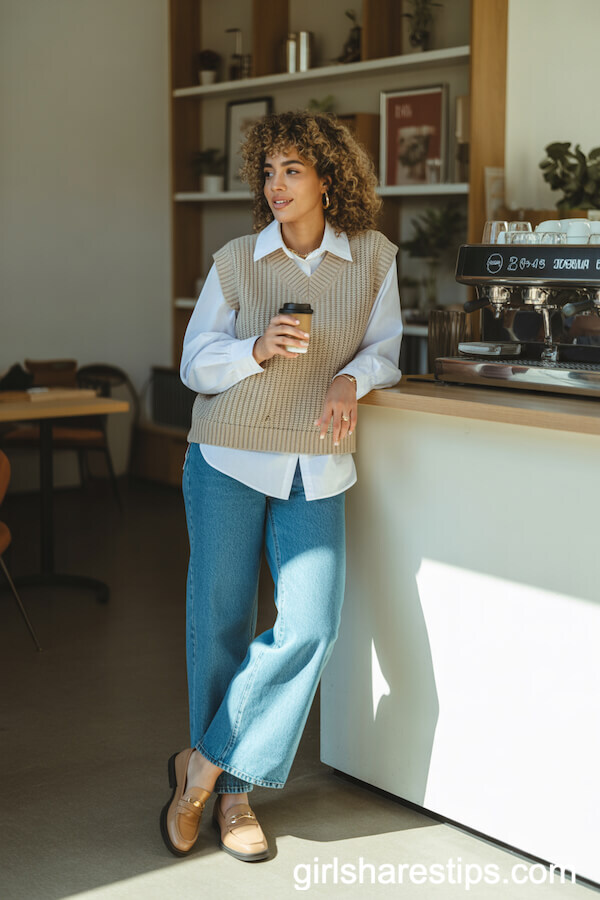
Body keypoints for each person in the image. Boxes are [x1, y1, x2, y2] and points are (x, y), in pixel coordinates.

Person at [160, 110, 403, 862]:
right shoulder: (239, 260)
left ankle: (204, 764)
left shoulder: (371, 259)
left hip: (316, 462)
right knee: (222, 619)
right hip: (227, 452)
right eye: (268, 171)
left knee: (311, 624)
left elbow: (387, 348)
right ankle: (232, 799)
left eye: (292, 170)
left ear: (329, 178)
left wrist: (349, 378)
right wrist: (254, 349)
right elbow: (194, 363)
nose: (276, 185)